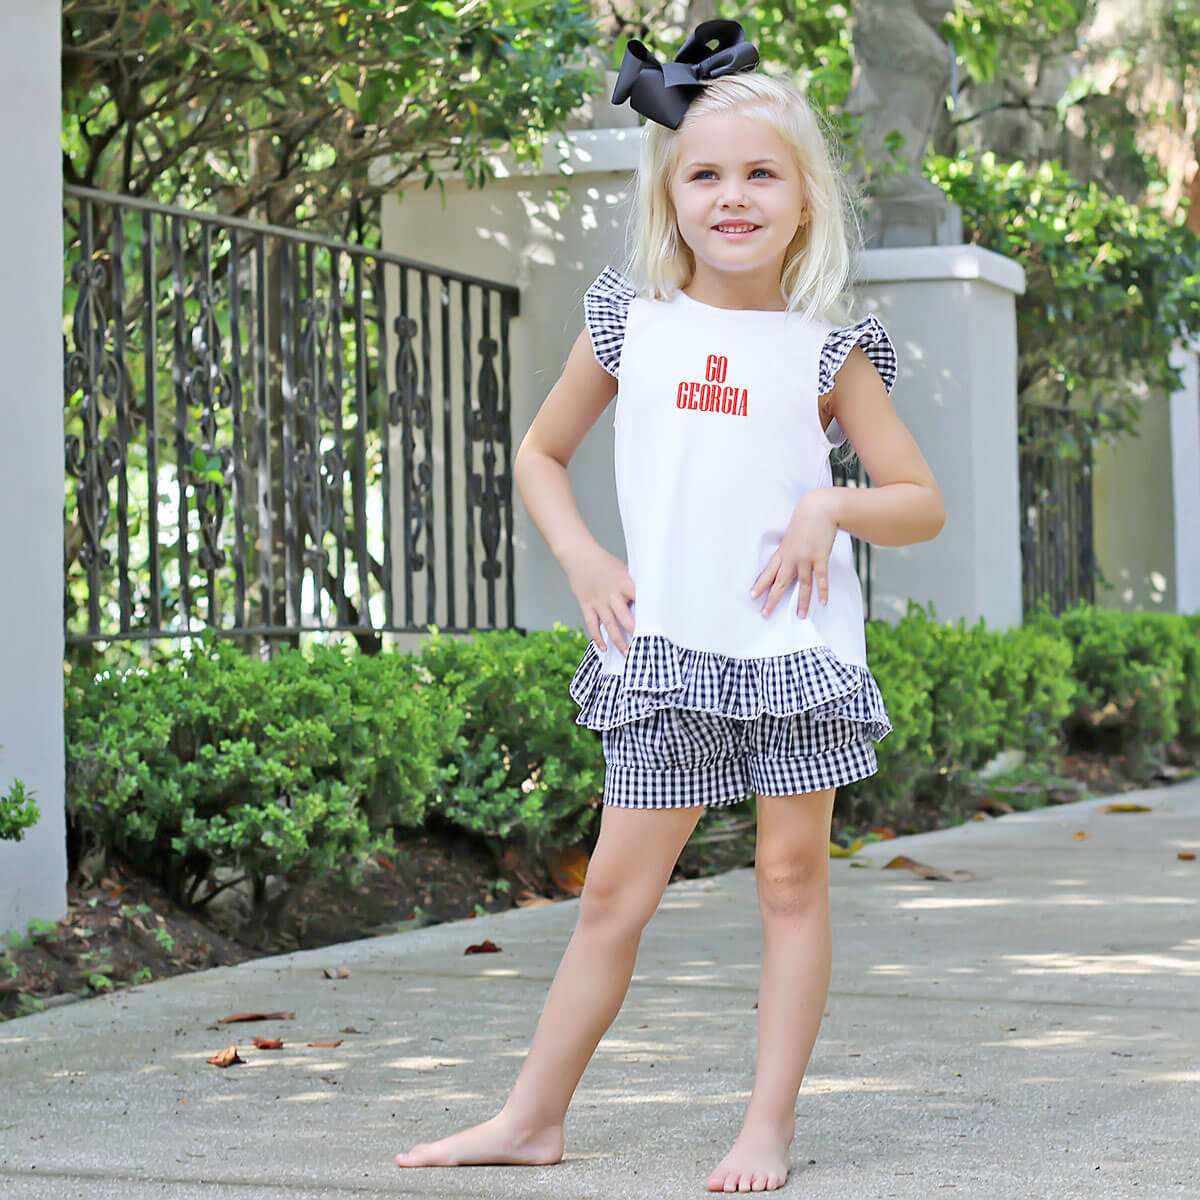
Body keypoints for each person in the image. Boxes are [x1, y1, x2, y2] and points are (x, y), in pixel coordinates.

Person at [396, 18, 945, 1192]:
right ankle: (530, 1117)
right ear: (669, 190)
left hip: (793, 652)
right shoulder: (629, 319)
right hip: (667, 652)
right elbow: (542, 455)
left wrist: (829, 512)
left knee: (791, 882)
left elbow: (916, 501)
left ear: (805, 199)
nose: (732, 197)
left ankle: (766, 1131)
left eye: (761, 174)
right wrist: (586, 561)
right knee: (611, 891)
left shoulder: (828, 346)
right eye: (706, 173)